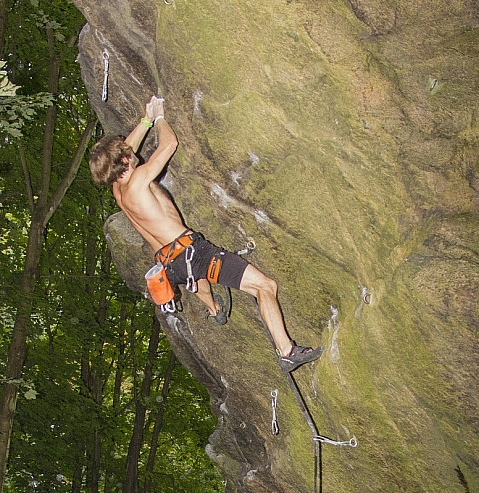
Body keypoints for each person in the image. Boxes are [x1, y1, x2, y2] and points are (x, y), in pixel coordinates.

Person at [89, 97, 323, 374]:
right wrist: (161, 118)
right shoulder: (139, 178)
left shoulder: (119, 192)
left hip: (170, 265)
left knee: (195, 275)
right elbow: (169, 145)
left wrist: (146, 119)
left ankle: (213, 308)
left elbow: (126, 150)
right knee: (265, 287)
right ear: (125, 160)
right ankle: (287, 351)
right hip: (194, 254)